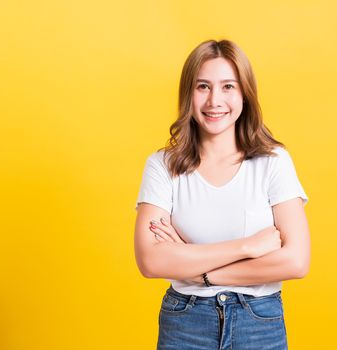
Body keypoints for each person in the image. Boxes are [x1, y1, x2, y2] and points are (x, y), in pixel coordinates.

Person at [133, 39, 310, 350]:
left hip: (259, 323)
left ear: (245, 94)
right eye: (203, 86)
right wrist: (249, 247)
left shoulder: (273, 162)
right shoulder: (163, 166)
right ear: (189, 94)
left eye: (228, 86)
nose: (214, 100)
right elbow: (151, 261)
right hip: (184, 322)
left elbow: (295, 261)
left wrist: (201, 271)